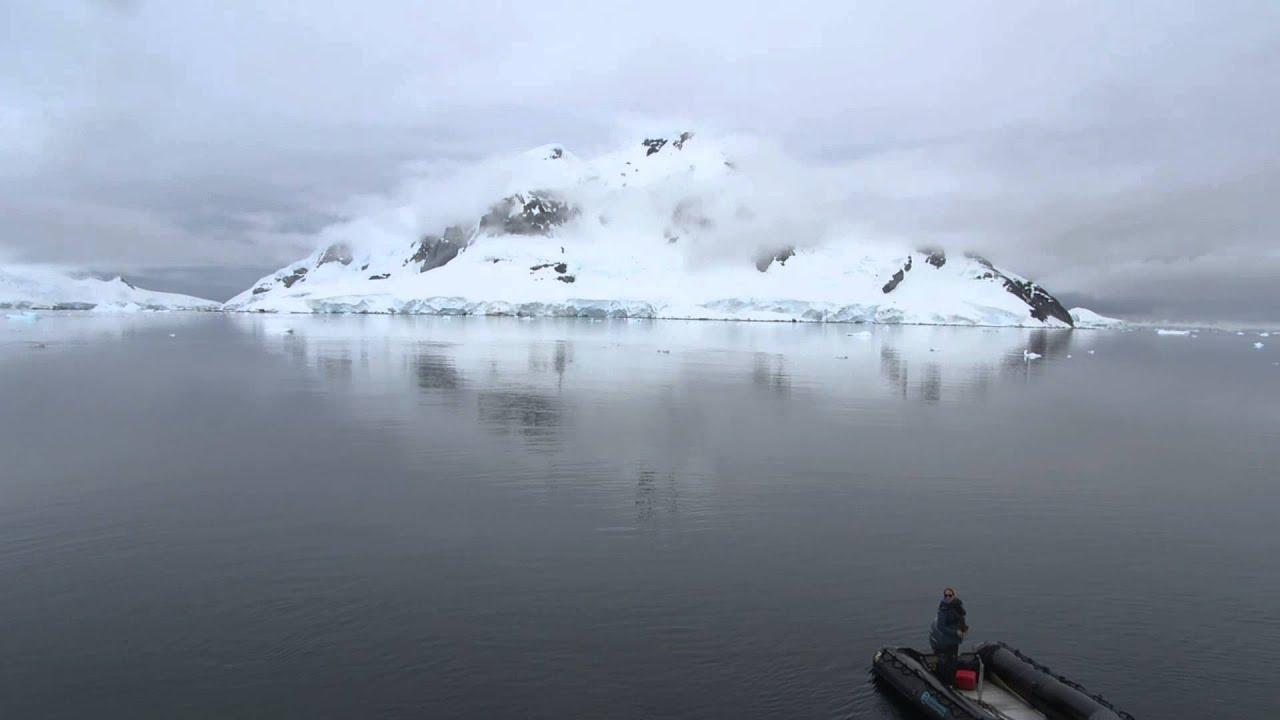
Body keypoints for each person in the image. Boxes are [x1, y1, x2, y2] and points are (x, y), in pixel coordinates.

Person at [929, 587, 968, 685]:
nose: (947, 597)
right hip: (947, 640)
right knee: (948, 662)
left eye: (950, 595)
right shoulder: (943, 609)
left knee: (953, 660)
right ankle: (947, 682)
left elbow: (961, 620)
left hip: (955, 640)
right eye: (945, 595)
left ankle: (951, 680)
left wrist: (964, 630)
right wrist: (955, 632)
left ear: (954, 595)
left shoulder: (958, 606)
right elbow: (941, 627)